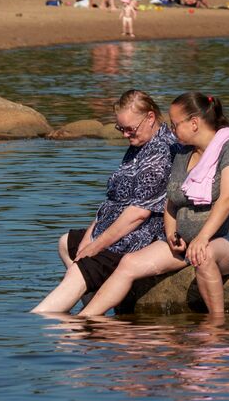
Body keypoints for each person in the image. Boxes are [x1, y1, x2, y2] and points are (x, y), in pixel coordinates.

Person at [78, 92, 229, 320]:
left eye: (175, 124)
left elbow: (228, 199)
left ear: (194, 123)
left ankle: (217, 326)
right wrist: (170, 234)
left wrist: (202, 237)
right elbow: (171, 201)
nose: (171, 130)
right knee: (129, 263)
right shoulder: (183, 154)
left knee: (204, 255)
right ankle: (85, 320)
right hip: (186, 242)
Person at [32, 89, 178, 314]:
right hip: (115, 228)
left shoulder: (160, 153)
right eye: (120, 129)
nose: (125, 135)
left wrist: (95, 246)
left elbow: (138, 214)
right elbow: (112, 202)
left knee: (79, 271)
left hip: (139, 235)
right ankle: (94, 307)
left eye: (130, 128)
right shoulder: (139, 145)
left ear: (150, 118)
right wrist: (90, 236)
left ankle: (46, 322)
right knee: (66, 244)